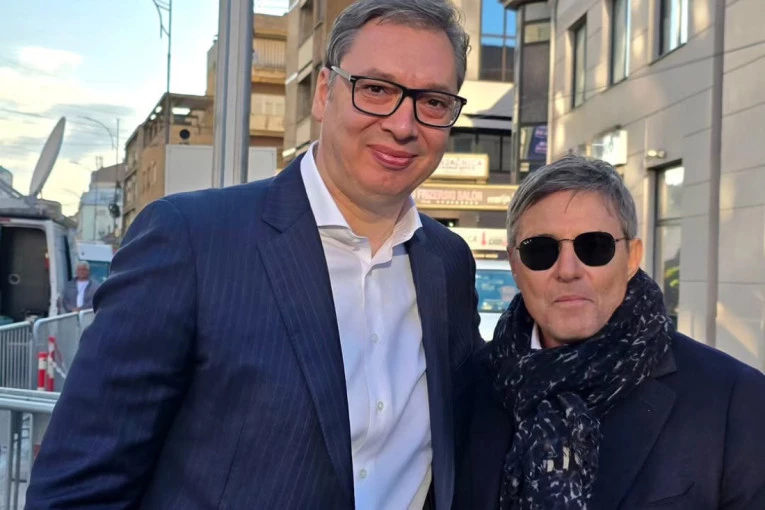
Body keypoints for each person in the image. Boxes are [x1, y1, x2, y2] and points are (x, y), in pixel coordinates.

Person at [26, 0, 482, 508]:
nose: (403, 124)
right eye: (376, 89)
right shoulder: (192, 242)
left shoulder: (449, 264)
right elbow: (79, 486)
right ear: (325, 93)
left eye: (433, 102)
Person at [456, 156, 765, 509]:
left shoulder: (731, 400)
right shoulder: (469, 387)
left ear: (632, 257)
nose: (568, 270)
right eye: (540, 250)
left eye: (594, 246)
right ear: (514, 264)